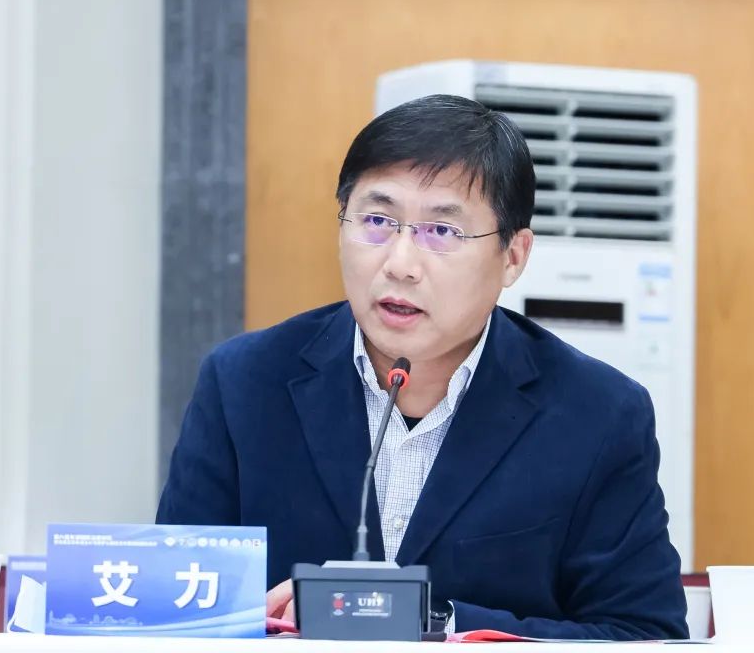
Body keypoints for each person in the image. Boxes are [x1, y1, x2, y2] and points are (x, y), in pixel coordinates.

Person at [156, 94, 688, 640]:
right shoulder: (244, 384)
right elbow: (172, 609)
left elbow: (645, 635)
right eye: (377, 221)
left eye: (442, 231)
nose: (400, 263)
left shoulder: (597, 415)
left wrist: (434, 619)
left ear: (513, 256)